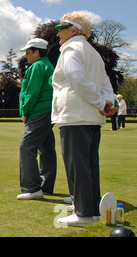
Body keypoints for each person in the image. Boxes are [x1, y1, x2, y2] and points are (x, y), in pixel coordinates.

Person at [52, 12, 116, 227]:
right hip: (91, 117)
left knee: (77, 165)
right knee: (89, 164)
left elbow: (77, 79)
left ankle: (83, 214)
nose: (58, 32)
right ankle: (90, 208)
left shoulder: (71, 49)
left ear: (74, 30)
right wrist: (107, 103)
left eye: (63, 27)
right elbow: (106, 84)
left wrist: (100, 103)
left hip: (75, 115)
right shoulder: (94, 53)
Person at [17, 38, 57, 200]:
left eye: (28, 52)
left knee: (26, 148)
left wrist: (25, 111)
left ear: (37, 52)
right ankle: (45, 185)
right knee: (46, 148)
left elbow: (31, 92)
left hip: (38, 111)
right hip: (48, 111)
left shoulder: (37, 66)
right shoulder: (48, 66)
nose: (26, 56)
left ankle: (32, 188)